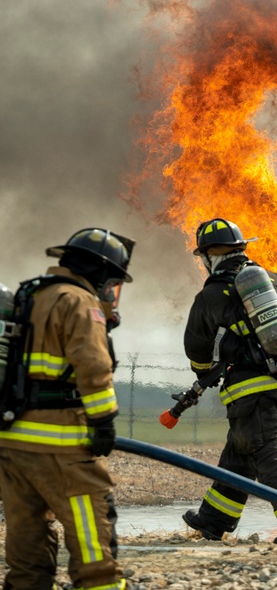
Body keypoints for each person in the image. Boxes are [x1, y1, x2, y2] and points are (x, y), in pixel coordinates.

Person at [0, 228, 135, 590]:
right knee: (93, 537)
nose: (111, 291)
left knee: (26, 546)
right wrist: (104, 423)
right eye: (112, 282)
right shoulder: (79, 301)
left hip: (12, 442)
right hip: (62, 445)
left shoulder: (29, 295)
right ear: (99, 274)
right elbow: (93, 367)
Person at [180, 218, 277, 544]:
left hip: (252, 391)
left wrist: (205, 372)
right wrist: (275, 346)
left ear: (209, 256)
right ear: (241, 248)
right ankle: (212, 521)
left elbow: (197, 348)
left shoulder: (211, 294)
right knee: (240, 454)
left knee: (266, 454)